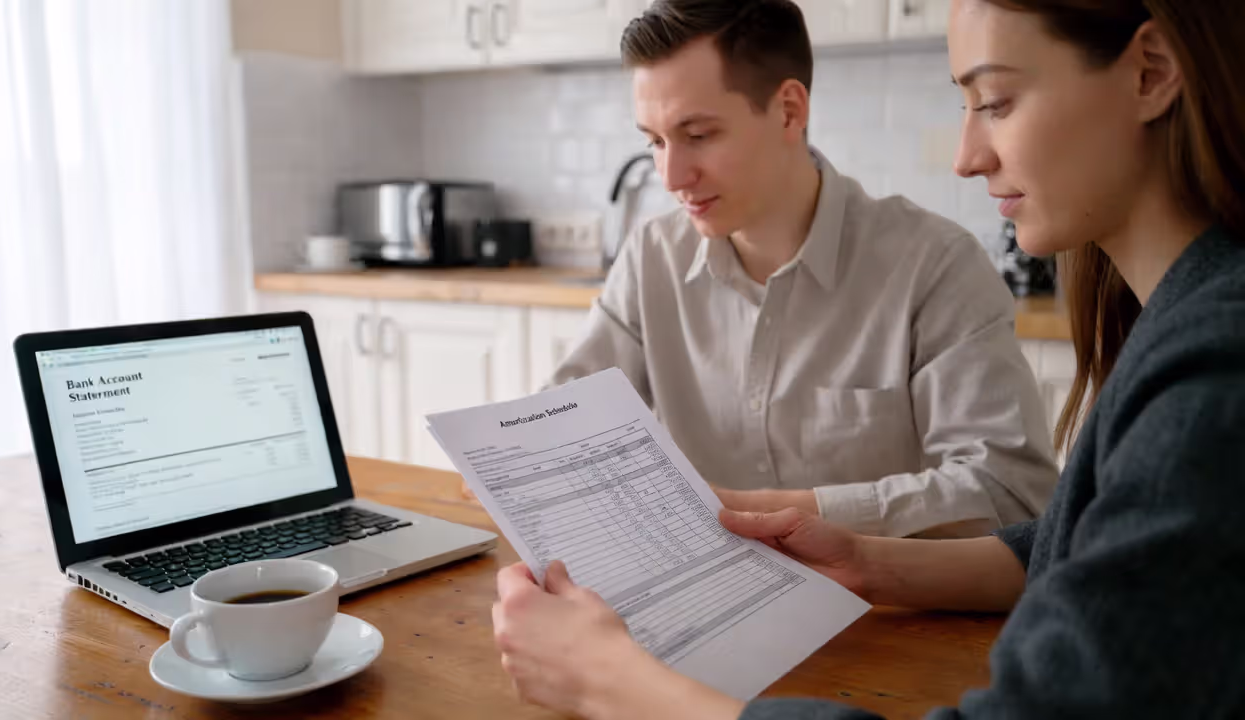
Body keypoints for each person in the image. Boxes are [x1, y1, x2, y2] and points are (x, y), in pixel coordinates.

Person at [490, 0, 1245, 717]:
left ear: (1150, 74)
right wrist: (867, 560)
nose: (965, 157)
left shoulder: (1208, 367)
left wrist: (610, 684)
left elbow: (1023, 505)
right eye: (653, 142)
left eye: (996, 102)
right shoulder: (1172, 325)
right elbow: (1065, 546)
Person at [538, 0, 1058, 539]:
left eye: (698, 135)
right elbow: (562, 423)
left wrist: (759, 513)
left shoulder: (935, 265)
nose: (671, 175)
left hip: (892, 612)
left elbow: (1011, 493)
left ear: (789, 110)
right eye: (655, 141)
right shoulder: (650, 257)